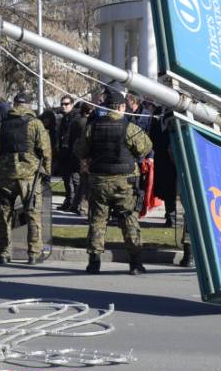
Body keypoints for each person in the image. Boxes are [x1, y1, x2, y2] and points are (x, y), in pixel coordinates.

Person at [74, 90, 153, 274]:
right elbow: (146, 147)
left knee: (97, 221)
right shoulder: (129, 128)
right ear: (121, 107)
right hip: (124, 182)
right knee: (128, 219)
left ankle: (94, 262)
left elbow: (80, 150)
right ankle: (135, 263)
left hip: (99, 181)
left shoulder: (92, 127)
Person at [0, 92, 51, 263]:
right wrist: (47, 173)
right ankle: (34, 253)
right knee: (32, 214)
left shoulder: (2, 124)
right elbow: (46, 151)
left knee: (4, 215)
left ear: (14, 104)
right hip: (29, 176)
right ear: (29, 105)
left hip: (6, 175)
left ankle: (3, 253)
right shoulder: (35, 124)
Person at [55, 95, 83, 213]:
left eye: (66, 104)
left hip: (74, 153)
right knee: (66, 179)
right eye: (62, 104)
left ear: (71, 104)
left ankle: (77, 203)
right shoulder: (64, 118)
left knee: (75, 180)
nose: (63, 106)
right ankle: (69, 201)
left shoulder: (76, 118)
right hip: (64, 152)